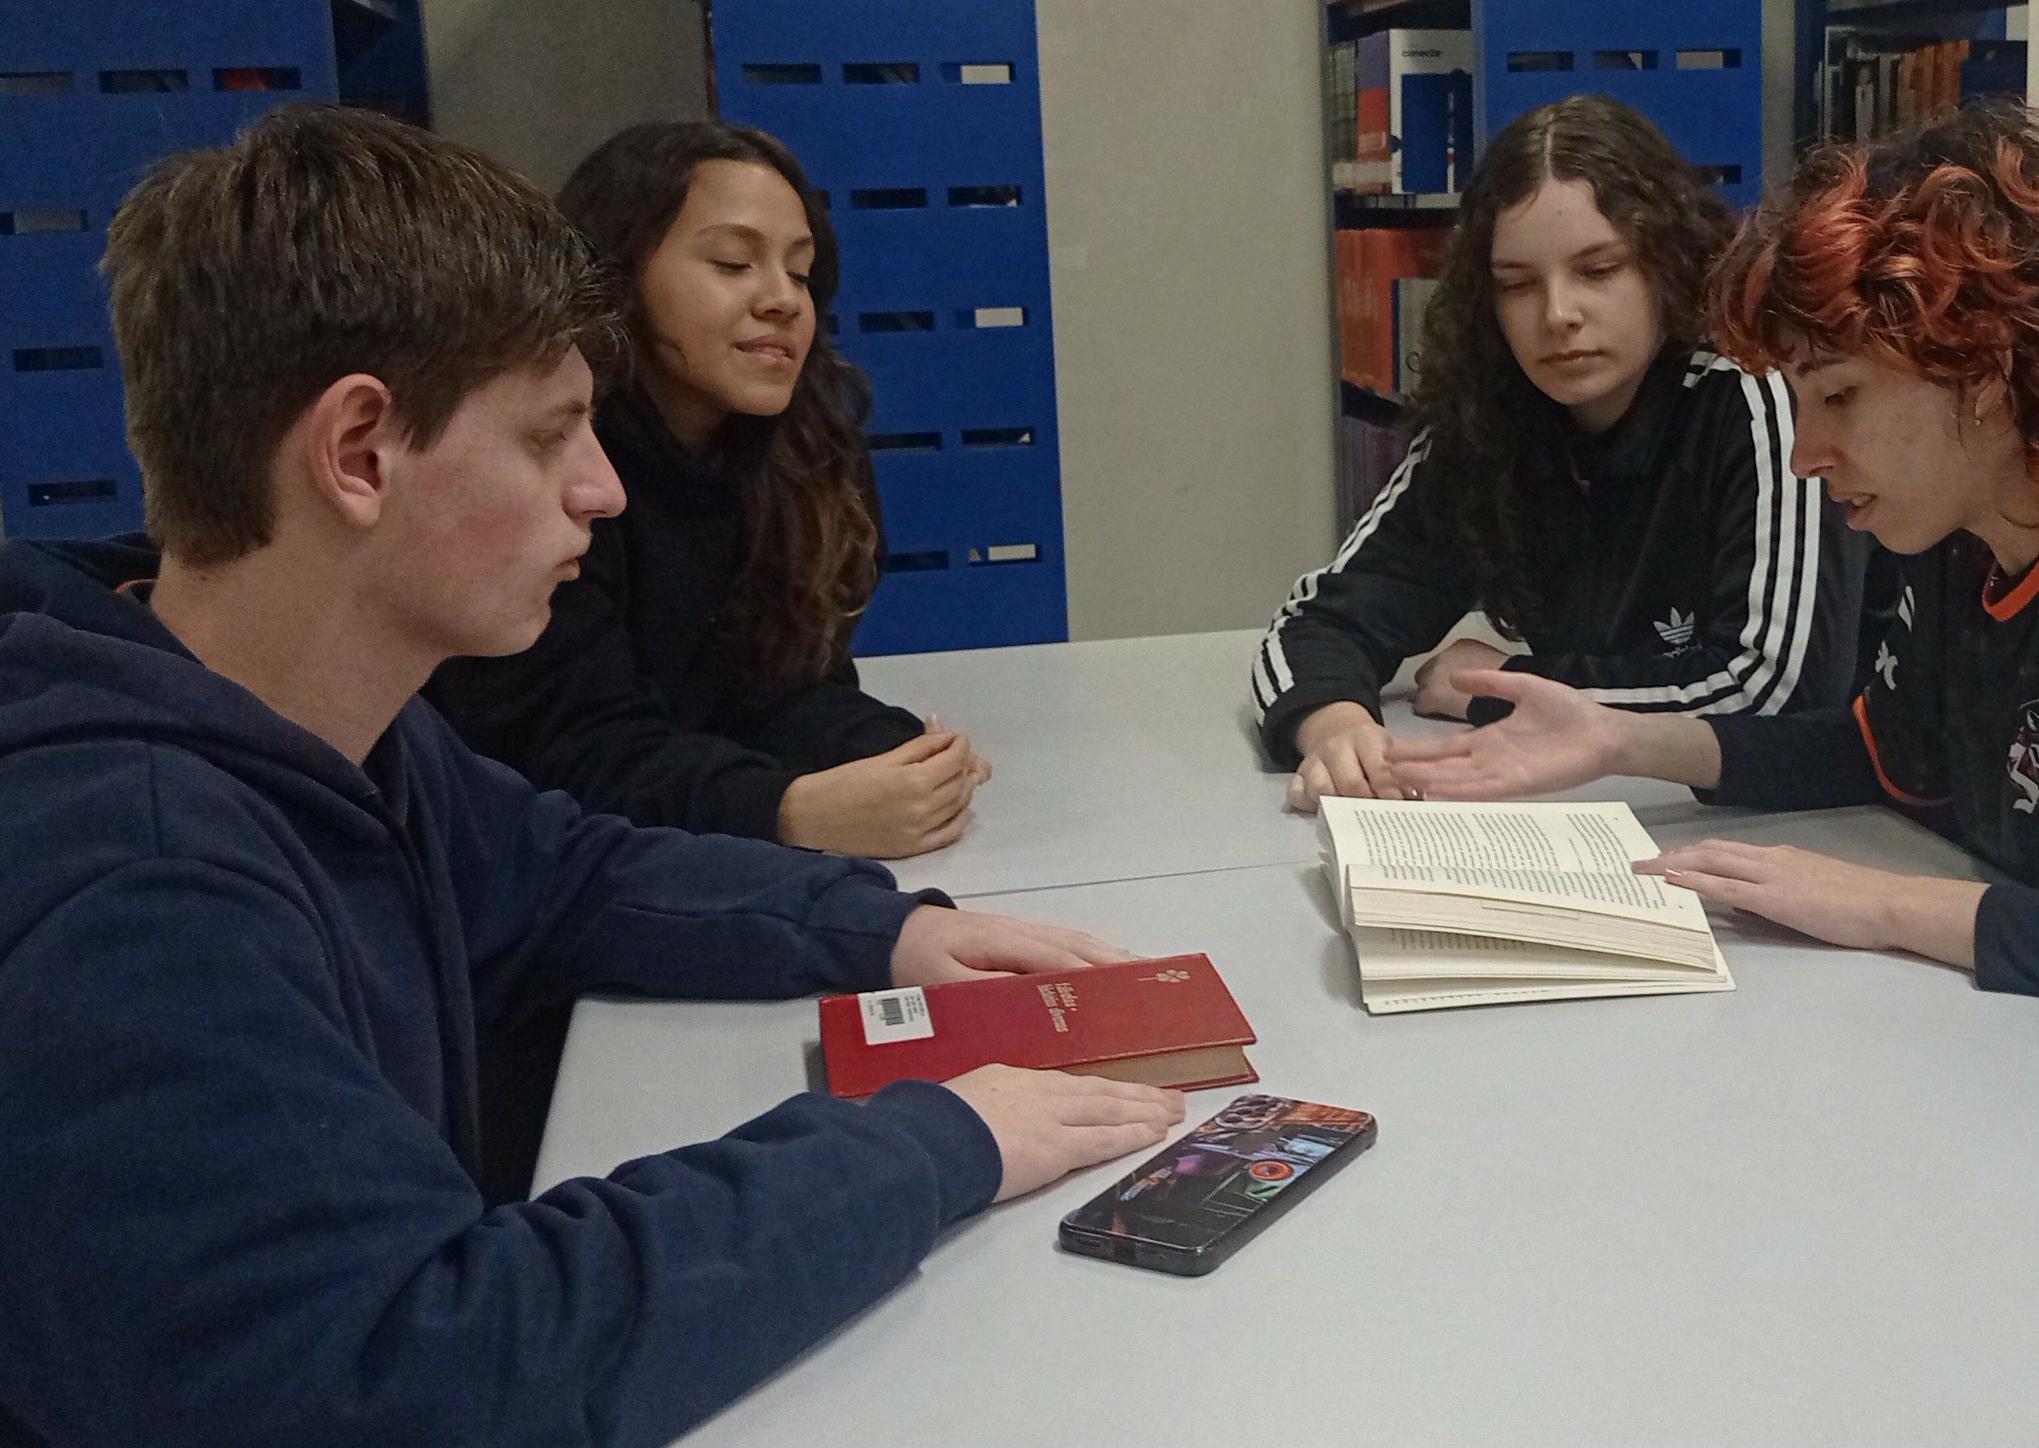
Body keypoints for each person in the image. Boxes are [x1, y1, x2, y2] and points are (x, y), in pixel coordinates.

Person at [0, 105, 1182, 1446]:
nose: (603, 488)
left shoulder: (318, 720)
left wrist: (881, 928)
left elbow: (561, 872)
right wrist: (928, 1142)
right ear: (359, 452)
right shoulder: (138, 890)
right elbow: (418, 1376)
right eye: (548, 434)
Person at [1385, 102, 2039, 1083]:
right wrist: (1620, 739)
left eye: (1839, 396)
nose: (1806, 454)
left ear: (1982, 371)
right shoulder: (1956, 530)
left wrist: (1884, 907)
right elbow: (1885, 751)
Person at [1254, 94, 1873, 811]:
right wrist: (1336, 727)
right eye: (1517, 285)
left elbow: (1777, 693)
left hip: (1809, 821)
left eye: (1599, 270)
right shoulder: (1492, 413)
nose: (1558, 315)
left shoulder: (1756, 396)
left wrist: (1516, 686)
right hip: (1589, 806)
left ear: (1669, 264)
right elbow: (1321, 621)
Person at [427, 120, 985, 861]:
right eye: (733, 263)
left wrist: (897, 753)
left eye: (801, 273)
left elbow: (778, 691)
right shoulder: (551, 466)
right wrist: (785, 811)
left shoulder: (805, 448)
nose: (782, 299)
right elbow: (561, 751)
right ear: (616, 275)